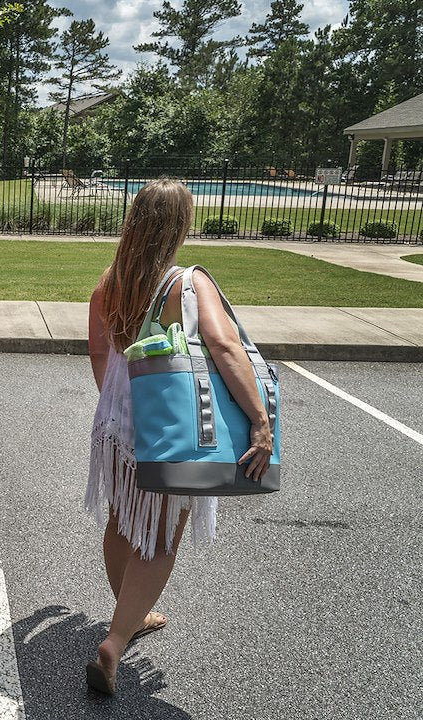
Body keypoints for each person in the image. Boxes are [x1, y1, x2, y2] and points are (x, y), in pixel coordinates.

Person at [84, 179, 273, 695]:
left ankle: (130, 611)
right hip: (171, 430)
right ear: (179, 226)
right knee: (163, 535)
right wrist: (260, 419)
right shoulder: (186, 284)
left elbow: (100, 353)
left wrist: (118, 404)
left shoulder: (111, 281)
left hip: (119, 427)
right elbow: (225, 346)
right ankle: (116, 641)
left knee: (124, 519)